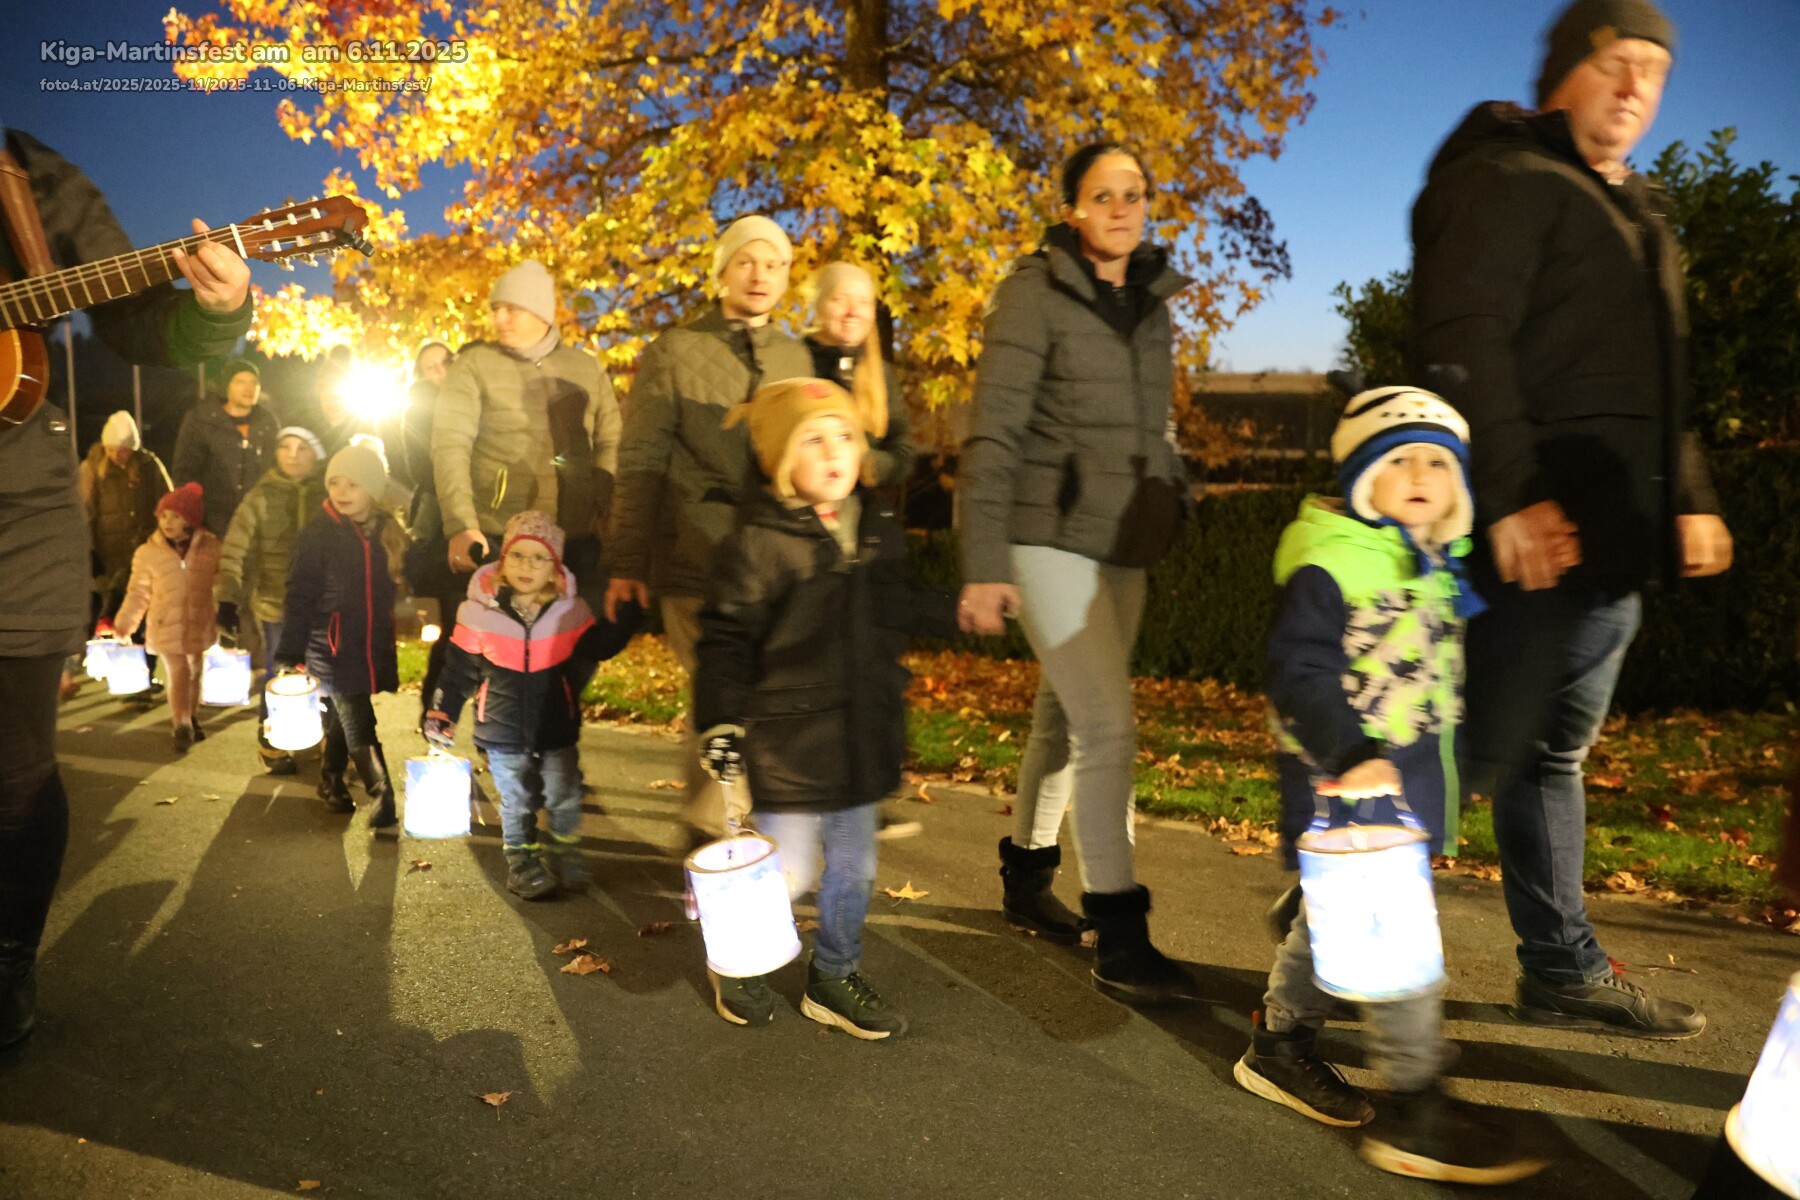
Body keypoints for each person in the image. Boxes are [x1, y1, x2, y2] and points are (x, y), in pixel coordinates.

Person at [1411, 0, 1728, 1037]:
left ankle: (1558, 968)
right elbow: (1463, 335)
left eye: (1655, 70)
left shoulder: (1637, 211)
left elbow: (1660, 377)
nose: (1636, 85)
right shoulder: (1507, 179)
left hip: (1610, 543)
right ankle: (1312, 969)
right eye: (1616, 61)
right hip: (1533, 541)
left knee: (1540, 755)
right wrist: (1505, 496)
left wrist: (1689, 496)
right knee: (1457, 759)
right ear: (1564, 73)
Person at [1235, 388, 1543, 1185]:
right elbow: (1298, 667)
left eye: (1437, 464)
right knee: (1398, 943)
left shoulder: (1433, 562)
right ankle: (1417, 1105)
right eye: (1398, 459)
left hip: (1397, 785)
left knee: (1331, 915)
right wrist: (1351, 750)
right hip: (1345, 777)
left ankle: (1278, 1043)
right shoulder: (1330, 559)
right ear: (1362, 477)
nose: (1418, 475)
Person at [0, 126, 251, 1053]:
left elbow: (137, 316)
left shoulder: (27, 174)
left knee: (17, 774)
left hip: (15, 511)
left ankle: (6, 965)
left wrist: (217, 311)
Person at [956, 142, 1195, 1002]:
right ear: (1072, 210)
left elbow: (1153, 426)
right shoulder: (1032, 293)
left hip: (1120, 539)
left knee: (1064, 718)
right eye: (1104, 195)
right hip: (1045, 534)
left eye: (1135, 194)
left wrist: (1172, 485)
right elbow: (993, 428)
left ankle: (1027, 880)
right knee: (1108, 728)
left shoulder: (1152, 304)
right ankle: (1120, 935)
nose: (1123, 208)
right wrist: (984, 562)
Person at [693, 378, 956, 1036]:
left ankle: (833, 975)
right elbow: (726, 640)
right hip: (792, 736)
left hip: (863, 728)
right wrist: (720, 719)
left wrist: (960, 609)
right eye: (813, 439)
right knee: (790, 869)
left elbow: (897, 604)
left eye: (845, 435)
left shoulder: (876, 527)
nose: (835, 450)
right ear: (781, 461)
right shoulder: (758, 542)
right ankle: (739, 960)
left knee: (856, 869)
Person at [606, 215, 814, 848]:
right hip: (697, 554)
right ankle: (719, 842)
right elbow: (641, 459)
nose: (759, 275)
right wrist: (626, 561)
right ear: (722, 272)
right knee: (717, 698)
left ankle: (727, 838)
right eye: (746, 261)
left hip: (775, 561)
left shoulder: (795, 355)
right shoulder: (674, 350)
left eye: (773, 264)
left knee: (760, 699)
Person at [431, 261, 624, 669]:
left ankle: (555, 711)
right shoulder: (475, 365)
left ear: (541, 311)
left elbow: (610, 440)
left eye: (512, 308)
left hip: (572, 535)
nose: (500, 318)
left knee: (569, 651)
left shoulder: (585, 368)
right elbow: (450, 445)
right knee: (486, 652)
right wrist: (461, 524)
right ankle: (448, 706)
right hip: (498, 532)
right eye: (495, 309)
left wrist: (602, 504)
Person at [425, 511, 617, 900]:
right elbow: (458, 671)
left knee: (563, 792)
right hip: (501, 728)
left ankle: (565, 850)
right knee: (517, 800)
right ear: (502, 561)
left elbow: (595, 648)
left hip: (555, 725)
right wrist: (442, 712)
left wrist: (625, 619)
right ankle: (522, 862)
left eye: (539, 558)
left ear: (555, 570)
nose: (526, 566)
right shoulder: (478, 613)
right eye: (517, 555)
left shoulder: (570, 611)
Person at [804, 261, 924, 840]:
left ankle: (865, 793)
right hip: (810, 537)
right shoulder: (796, 363)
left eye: (864, 302)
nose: (853, 311)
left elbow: (904, 450)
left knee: (876, 668)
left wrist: (871, 463)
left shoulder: (881, 375)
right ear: (818, 305)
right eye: (840, 299)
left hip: (869, 539)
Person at [274, 445, 409, 828]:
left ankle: (331, 780)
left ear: (374, 488)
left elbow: (403, 582)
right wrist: (290, 651)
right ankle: (381, 793)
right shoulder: (317, 535)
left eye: (353, 484)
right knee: (358, 718)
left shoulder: (387, 531)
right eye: (335, 482)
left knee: (342, 715)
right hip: (330, 646)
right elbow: (299, 595)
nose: (342, 491)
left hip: (368, 643)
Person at [214, 426, 326, 774]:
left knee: (323, 673)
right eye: (285, 447)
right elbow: (236, 549)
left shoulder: (329, 491)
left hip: (324, 605)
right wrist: (228, 600)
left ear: (316, 454)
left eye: (302, 448)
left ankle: (319, 737)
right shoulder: (261, 496)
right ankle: (271, 742)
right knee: (280, 674)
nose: (292, 455)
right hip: (276, 603)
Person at [112, 483, 221, 752]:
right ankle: (180, 723)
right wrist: (125, 624)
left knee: (195, 670)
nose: (168, 522)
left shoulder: (210, 548)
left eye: (175, 516)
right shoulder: (148, 553)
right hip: (164, 625)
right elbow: (138, 592)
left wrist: (226, 611)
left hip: (198, 621)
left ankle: (191, 716)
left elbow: (222, 583)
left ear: (190, 519)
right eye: (163, 516)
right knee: (178, 671)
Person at [79, 410, 172, 622]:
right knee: (107, 614)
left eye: (122, 451)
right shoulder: (91, 469)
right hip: (105, 559)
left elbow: (168, 504)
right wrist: (89, 550)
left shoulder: (149, 466)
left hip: (142, 555)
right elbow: (83, 513)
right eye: (110, 449)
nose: (116, 455)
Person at [171, 358, 281, 536]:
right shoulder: (201, 421)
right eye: (240, 382)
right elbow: (184, 471)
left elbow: (276, 468)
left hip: (257, 521)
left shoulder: (267, 423)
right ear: (227, 386)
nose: (248, 388)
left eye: (254, 382)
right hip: (213, 522)